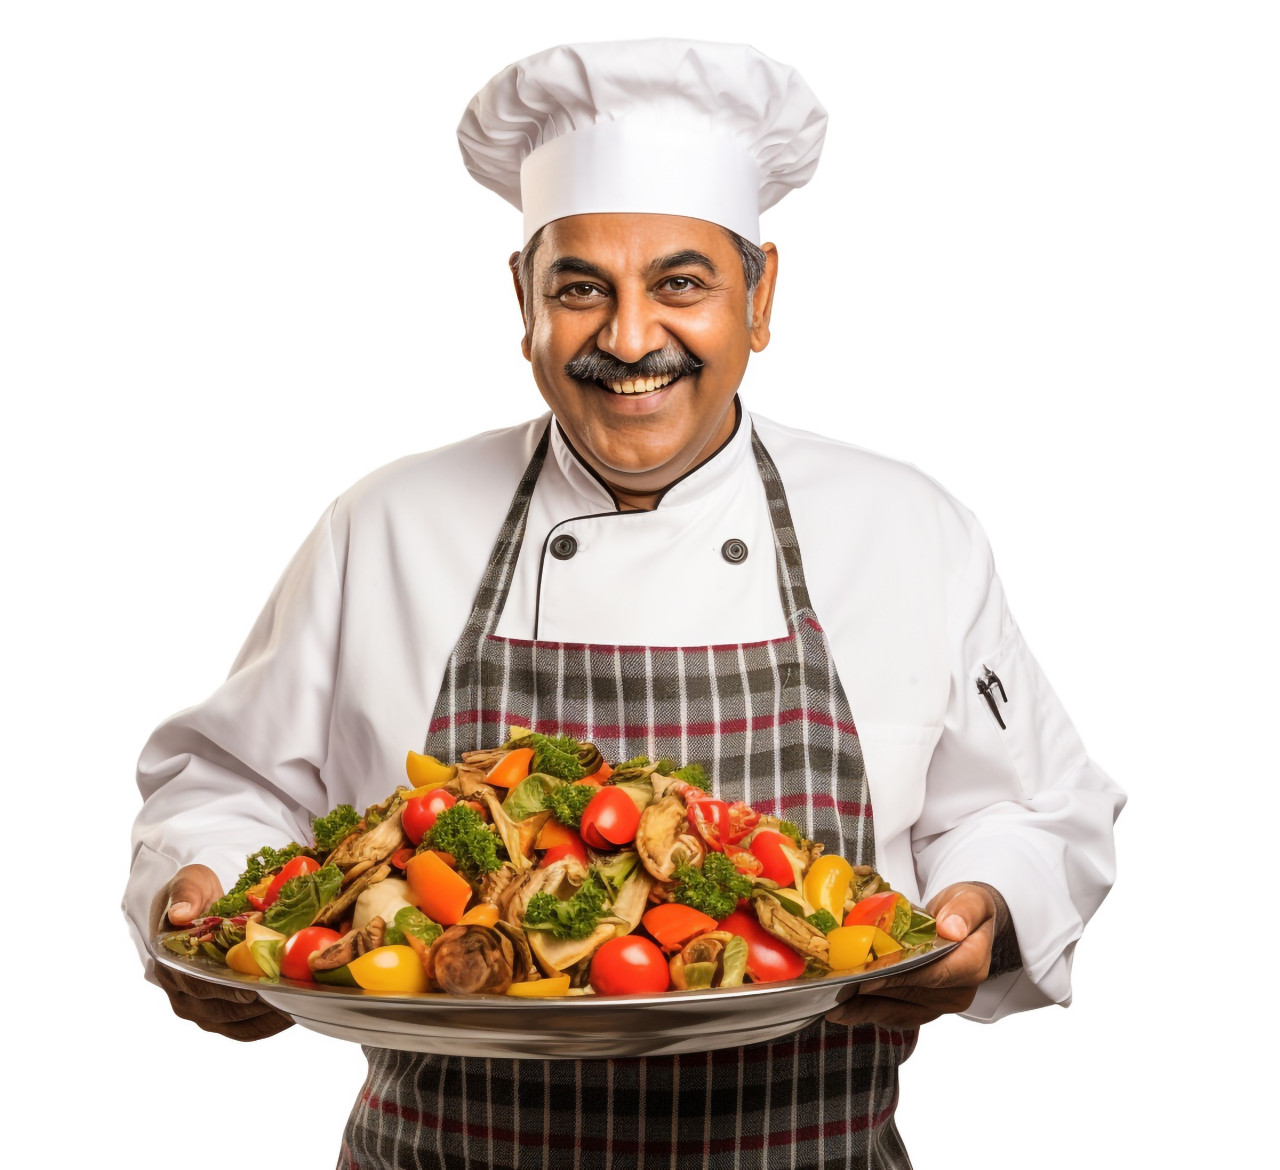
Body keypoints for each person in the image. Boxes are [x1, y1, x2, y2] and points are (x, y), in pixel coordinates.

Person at [125, 39, 1125, 1169]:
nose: (630, 338)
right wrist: (197, 890)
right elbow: (231, 787)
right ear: (523, 300)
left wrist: (980, 909)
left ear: (760, 296)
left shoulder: (903, 526)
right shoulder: (389, 523)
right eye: (581, 287)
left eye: (682, 283)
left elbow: (1033, 807)